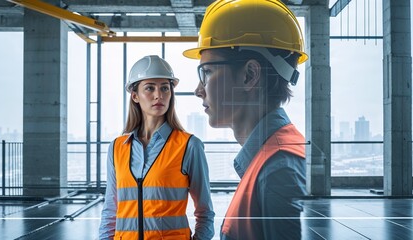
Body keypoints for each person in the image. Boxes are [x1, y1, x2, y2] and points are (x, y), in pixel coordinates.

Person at [183, 0, 308, 239]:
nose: (199, 90)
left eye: (207, 72)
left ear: (250, 75)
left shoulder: (278, 171)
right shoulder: (267, 161)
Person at [99, 55, 215, 240]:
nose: (158, 95)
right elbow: (110, 211)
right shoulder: (117, 148)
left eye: (164, 88)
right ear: (135, 96)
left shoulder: (189, 146)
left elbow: (205, 212)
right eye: (150, 88)